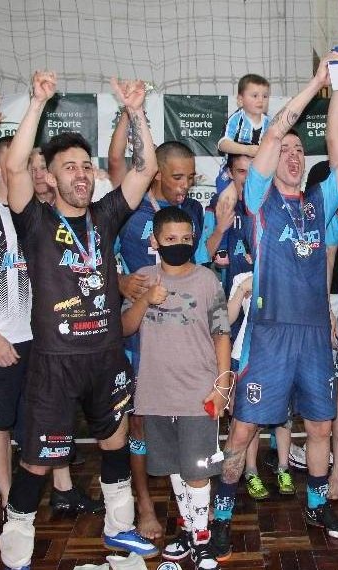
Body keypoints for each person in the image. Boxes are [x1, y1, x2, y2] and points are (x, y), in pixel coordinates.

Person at [209, 52, 338, 560]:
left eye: (296, 152)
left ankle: (317, 502)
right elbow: (275, 131)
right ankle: (220, 515)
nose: (290, 155)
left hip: (311, 334)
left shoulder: (318, 202)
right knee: (243, 430)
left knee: (322, 426)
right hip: (268, 334)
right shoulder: (260, 199)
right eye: (282, 149)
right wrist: (316, 85)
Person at [0, 71, 160, 569]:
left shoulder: (106, 217)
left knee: (114, 442)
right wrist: (37, 103)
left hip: (105, 356)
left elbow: (146, 165)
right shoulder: (36, 220)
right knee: (36, 461)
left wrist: (134, 112)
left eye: (87, 166)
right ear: (50, 175)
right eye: (70, 167)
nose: (82, 174)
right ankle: (17, 545)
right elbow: (13, 170)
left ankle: (120, 530)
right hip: (56, 362)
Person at [0, 136, 101, 515]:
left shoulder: (42, 213)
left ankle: (64, 489)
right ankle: (8, 499)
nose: (36, 172)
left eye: (39, 166)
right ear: (0, 169)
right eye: (28, 165)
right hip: (0, 342)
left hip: (44, 339)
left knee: (51, 416)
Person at [110, 114, 206, 541]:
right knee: (140, 421)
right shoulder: (126, 211)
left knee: (184, 412)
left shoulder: (191, 213)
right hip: (138, 334)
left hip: (179, 334)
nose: (184, 186)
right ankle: (144, 504)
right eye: (177, 177)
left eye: (189, 177)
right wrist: (118, 281)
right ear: (156, 175)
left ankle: (191, 503)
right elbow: (94, 259)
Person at [121, 206, 232, 570]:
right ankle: (188, 530)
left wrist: (223, 383)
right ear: (154, 241)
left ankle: (201, 537)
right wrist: (144, 298)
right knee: (173, 467)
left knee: (198, 471)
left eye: (186, 239)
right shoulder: (142, 278)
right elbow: (124, 328)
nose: (179, 245)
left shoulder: (207, 280)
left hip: (198, 393)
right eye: (170, 239)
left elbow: (221, 333)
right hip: (155, 393)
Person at [211, 74, 272, 265]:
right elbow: (223, 144)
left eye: (265, 96)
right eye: (254, 95)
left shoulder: (269, 123)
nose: (260, 100)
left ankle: (253, 247)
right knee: (228, 201)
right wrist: (247, 149)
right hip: (231, 175)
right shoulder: (236, 119)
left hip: (258, 176)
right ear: (240, 99)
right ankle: (221, 248)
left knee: (258, 209)